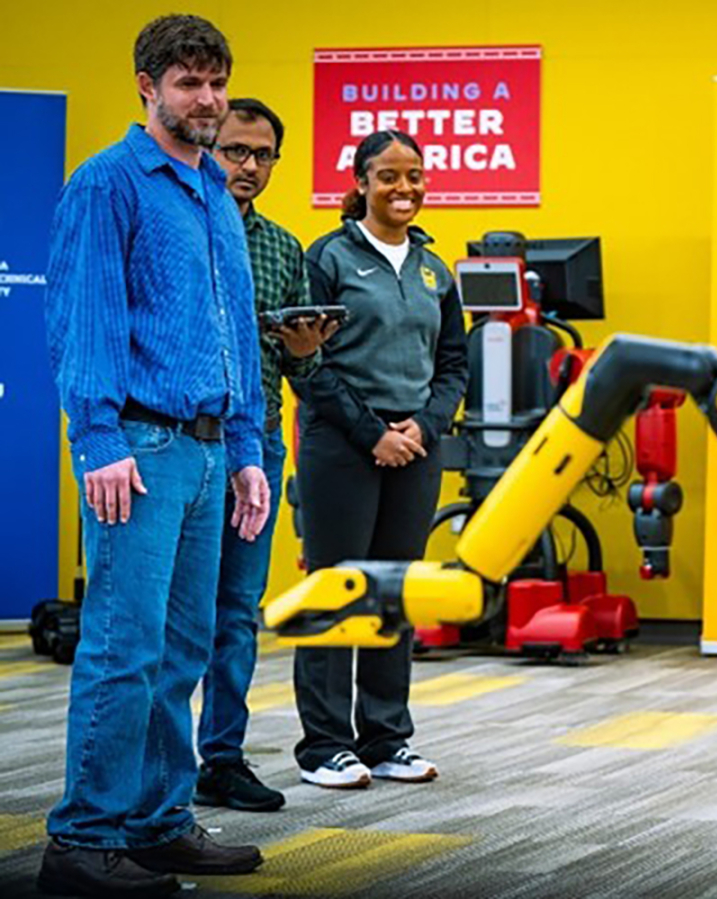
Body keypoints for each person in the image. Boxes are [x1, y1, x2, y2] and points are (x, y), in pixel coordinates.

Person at [40, 14, 269, 897]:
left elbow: (234, 337)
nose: (206, 99)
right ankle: (83, 840)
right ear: (148, 88)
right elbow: (82, 319)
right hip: (137, 446)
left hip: (213, 455)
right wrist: (96, 438)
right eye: (188, 83)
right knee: (121, 648)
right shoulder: (109, 183)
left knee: (183, 651)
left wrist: (246, 447)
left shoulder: (215, 189)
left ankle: (159, 820)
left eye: (215, 82)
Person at [292, 129, 468, 788]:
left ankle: (387, 737)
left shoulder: (433, 268)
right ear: (361, 181)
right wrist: (373, 433)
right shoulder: (329, 257)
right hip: (343, 446)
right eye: (389, 176)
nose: (404, 188)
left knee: (393, 593)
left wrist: (423, 427)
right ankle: (324, 745)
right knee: (339, 589)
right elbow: (307, 361)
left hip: (415, 448)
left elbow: (453, 361)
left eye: (415, 176)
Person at [194, 97, 338, 814]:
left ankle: (220, 757)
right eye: (235, 150)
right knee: (170, 615)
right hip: (181, 438)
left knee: (238, 610)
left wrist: (306, 351)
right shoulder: (174, 222)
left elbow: (304, 373)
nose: (249, 166)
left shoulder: (284, 246)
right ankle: (148, 773)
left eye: (263, 155)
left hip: (260, 440)